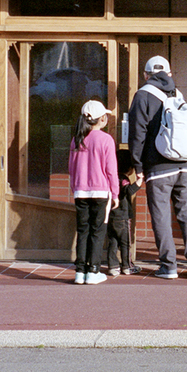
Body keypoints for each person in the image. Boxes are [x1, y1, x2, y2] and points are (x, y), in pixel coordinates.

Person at [127, 55, 187, 279]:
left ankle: (169, 266)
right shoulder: (178, 95)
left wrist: (137, 165)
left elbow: (137, 135)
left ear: (146, 75)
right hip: (186, 165)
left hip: (158, 166)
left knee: (161, 216)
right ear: (169, 74)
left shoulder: (142, 95)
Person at [67, 98, 118, 285]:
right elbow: (111, 170)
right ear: (102, 119)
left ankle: (80, 271)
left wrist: (74, 187)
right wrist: (115, 193)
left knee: (83, 231)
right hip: (100, 192)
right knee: (97, 231)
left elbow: (71, 168)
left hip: (80, 191)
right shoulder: (106, 139)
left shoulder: (76, 139)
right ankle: (93, 270)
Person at [104, 160, 142, 276]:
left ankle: (113, 266)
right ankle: (127, 266)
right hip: (123, 217)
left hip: (111, 215)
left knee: (113, 242)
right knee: (125, 243)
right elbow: (128, 191)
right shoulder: (123, 179)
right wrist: (139, 180)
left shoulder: (109, 178)